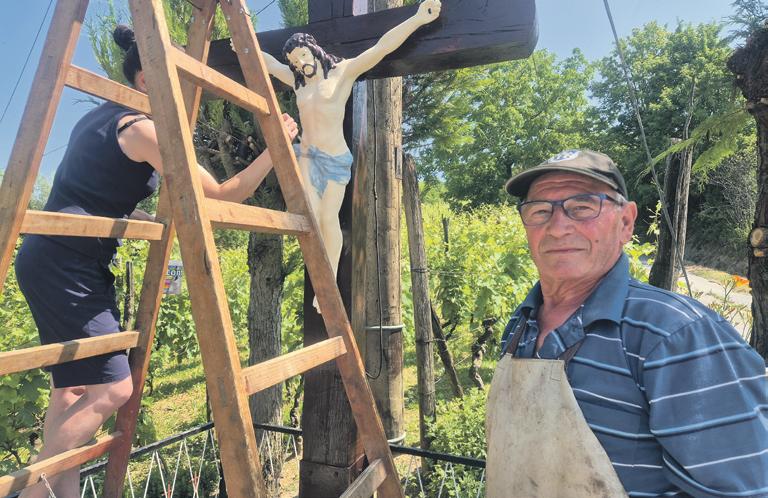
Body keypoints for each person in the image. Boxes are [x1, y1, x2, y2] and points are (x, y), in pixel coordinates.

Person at [14, 25, 298, 498]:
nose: (185, 98)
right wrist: (276, 148)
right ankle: (27, 493)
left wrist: (138, 217)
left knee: (72, 391)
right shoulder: (141, 128)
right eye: (176, 83)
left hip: (51, 254)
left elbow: (88, 191)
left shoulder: (102, 118)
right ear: (147, 81)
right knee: (113, 389)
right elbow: (223, 194)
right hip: (68, 262)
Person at [485, 149, 768, 497]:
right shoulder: (521, 326)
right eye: (540, 211)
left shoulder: (674, 334)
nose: (557, 228)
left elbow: (745, 490)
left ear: (625, 222)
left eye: (582, 207)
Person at [257, 0, 441, 311]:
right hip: (309, 158)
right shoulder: (298, 83)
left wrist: (417, 19)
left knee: (328, 219)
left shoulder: (341, 73)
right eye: (295, 61)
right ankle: (319, 278)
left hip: (335, 158)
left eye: (303, 55)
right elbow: (271, 66)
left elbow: (381, 48)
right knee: (309, 218)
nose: (300, 63)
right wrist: (244, 47)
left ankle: (326, 286)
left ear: (313, 49)